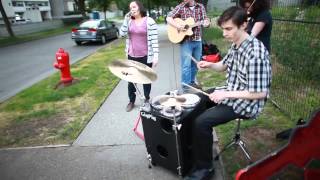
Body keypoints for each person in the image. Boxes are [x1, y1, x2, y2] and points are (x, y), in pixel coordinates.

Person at [184, 6, 272, 180]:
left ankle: (205, 169)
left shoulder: (256, 54)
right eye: (223, 29)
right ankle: (194, 147)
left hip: (247, 103)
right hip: (232, 92)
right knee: (195, 102)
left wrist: (225, 95)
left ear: (244, 25)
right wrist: (209, 65)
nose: (224, 33)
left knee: (202, 122)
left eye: (228, 29)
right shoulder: (236, 45)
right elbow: (222, 66)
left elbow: (260, 93)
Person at [119, 0, 159, 112]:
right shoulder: (129, 22)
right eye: (130, 8)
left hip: (146, 56)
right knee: (131, 80)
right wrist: (125, 21)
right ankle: (131, 101)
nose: (132, 9)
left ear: (139, 7)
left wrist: (155, 56)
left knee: (146, 79)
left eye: (134, 6)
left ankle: (146, 99)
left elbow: (154, 40)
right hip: (132, 55)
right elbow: (121, 35)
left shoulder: (149, 21)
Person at [166, 0, 210, 92]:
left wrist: (206, 23)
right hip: (186, 41)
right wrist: (178, 26)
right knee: (186, 65)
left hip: (198, 40)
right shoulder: (181, 6)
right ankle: (185, 87)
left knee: (195, 63)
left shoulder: (200, 7)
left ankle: (191, 82)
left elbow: (205, 20)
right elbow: (168, 18)